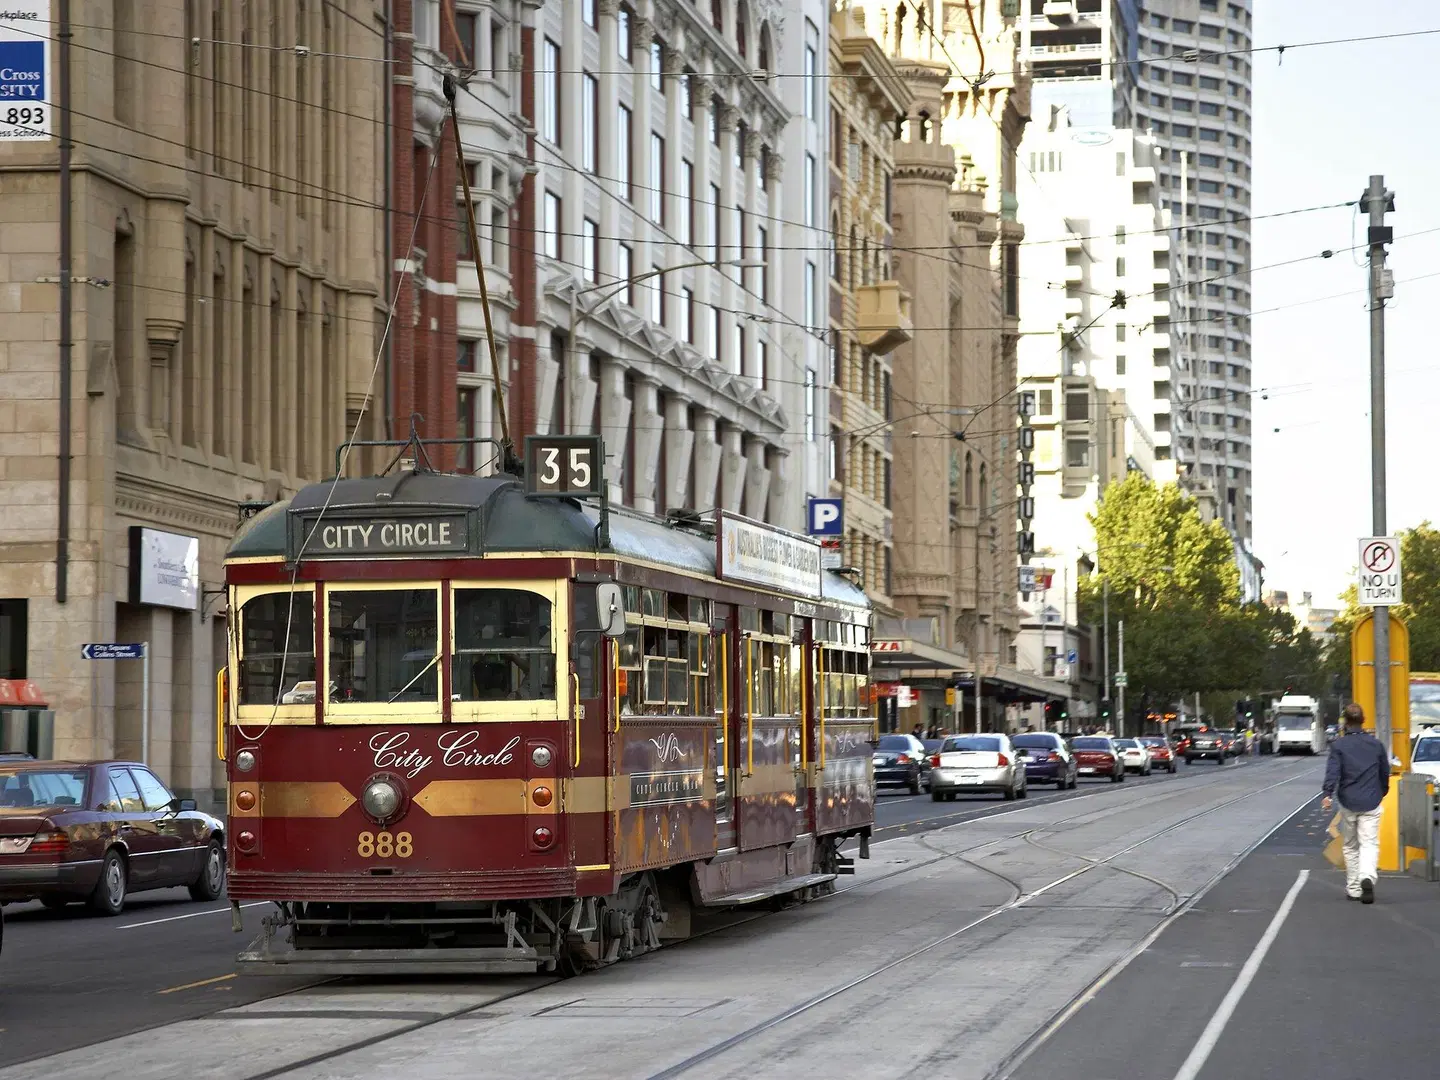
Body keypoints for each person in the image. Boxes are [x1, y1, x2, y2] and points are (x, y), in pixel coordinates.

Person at [1322, 702, 1391, 904]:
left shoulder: (1338, 746)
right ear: (1363, 721)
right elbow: (1384, 772)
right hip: (1371, 800)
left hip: (1348, 801)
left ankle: (1353, 889)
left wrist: (1327, 794)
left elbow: (1333, 773)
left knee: (1351, 846)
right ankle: (1367, 876)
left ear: (1345, 722)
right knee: (1369, 843)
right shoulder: (1376, 744)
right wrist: (1382, 791)